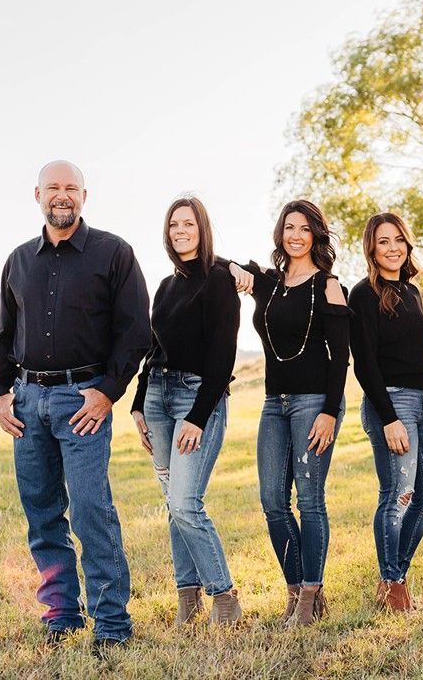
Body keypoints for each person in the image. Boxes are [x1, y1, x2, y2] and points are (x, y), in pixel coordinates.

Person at [0, 161, 150, 651]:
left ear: (84, 195)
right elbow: (0, 338)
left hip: (84, 402)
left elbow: (136, 331)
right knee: (41, 512)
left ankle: (112, 625)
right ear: (37, 193)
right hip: (27, 401)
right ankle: (62, 615)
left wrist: (106, 393)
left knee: (90, 510)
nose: (62, 195)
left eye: (71, 188)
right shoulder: (18, 260)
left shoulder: (114, 253)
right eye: (54, 187)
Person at [226, 200, 349, 626]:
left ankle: (310, 597)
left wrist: (330, 412)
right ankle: (296, 591)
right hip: (273, 403)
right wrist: (234, 271)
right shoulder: (269, 283)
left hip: (315, 402)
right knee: (272, 501)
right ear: (280, 233)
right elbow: (221, 263)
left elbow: (340, 358)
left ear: (316, 234)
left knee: (310, 501)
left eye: (304, 228)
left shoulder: (328, 285)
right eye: (288, 227)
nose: (295, 235)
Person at [128, 196, 242, 627]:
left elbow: (222, 356)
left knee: (185, 502)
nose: (180, 230)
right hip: (157, 396)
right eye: (174, 224)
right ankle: (187, 597)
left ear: (202, 228)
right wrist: (139, 403)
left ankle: (224, 596)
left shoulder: (219, 279)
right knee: (171, 503)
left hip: (198, 398)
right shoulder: (165, 285)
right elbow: (154, 349)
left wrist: (197, 415)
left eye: (188, 223)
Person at [349, 212, 423, 612]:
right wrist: (388, 417)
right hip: (390, 402)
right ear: (372, 248)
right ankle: (393, 586)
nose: (392, 248)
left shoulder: (410, 291)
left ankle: (394, 578)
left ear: (407, 244)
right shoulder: (363, 294)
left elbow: (417, 340)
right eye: (384, 241)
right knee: (398, 495)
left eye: (398, 240)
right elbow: (365, 362)